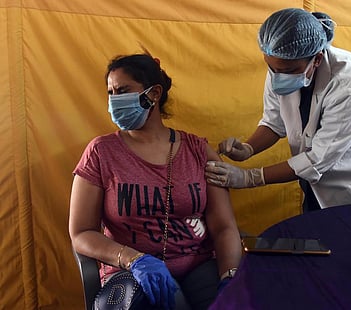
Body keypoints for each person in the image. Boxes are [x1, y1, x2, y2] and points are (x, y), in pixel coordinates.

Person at [69, 52, 242, 310]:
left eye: (123, 90)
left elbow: (224, 227)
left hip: (198, 267)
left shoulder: (198, 151)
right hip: (132, 273)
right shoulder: (101, 152)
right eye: (111, 93)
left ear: (154, 93)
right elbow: (82, 232)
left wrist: (230, 278)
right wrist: (132, 259)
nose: (115, 100)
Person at [205, 8, 351, 211]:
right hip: (315, 184)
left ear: (317, 59)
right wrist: (248, 148)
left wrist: (250, 177)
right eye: (272, 68)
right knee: (317, 241)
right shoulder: (282, 66)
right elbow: (274, 122)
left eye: (288, 71)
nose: (278, 77)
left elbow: (317, 159)